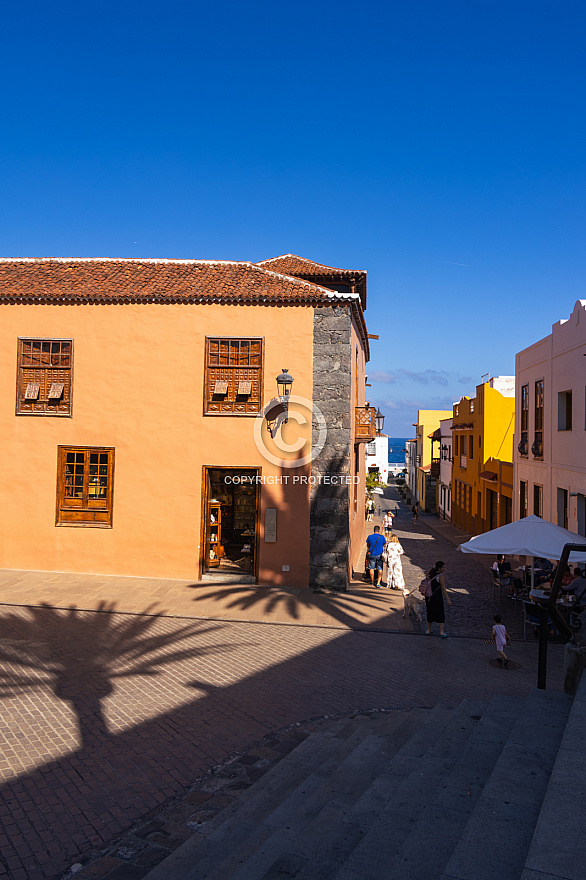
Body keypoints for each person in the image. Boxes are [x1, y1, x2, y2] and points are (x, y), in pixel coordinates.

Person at [425, 560, 451, 637]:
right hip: (437, 597)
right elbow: (443, 588)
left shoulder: (429, 574)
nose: (444, 569)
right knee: (440, 613)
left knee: (429, 612)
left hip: (428, 596)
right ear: (439, 568)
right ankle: (442, 631)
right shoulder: (440, 576)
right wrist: (448, 599)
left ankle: (428, 630)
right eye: (443, 567)